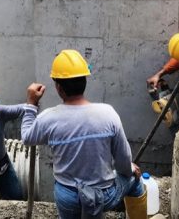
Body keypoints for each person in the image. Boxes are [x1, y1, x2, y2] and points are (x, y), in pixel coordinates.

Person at [21, 50, 147, 219]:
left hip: (67, 197)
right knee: (135, 182)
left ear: (58, 87)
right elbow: (123, 160)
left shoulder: (49, 118)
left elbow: (27, 137)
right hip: (103, 195)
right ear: (85, 81)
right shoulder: (108, 113)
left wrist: (31, 103)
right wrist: (129, 168)